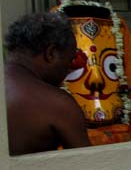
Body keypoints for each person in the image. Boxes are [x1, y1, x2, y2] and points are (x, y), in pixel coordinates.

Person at [3, 12, 89, 155]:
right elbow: (90, 167)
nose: (67, 71)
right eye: (69, 61)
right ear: (51, 54)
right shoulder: (57, 103)